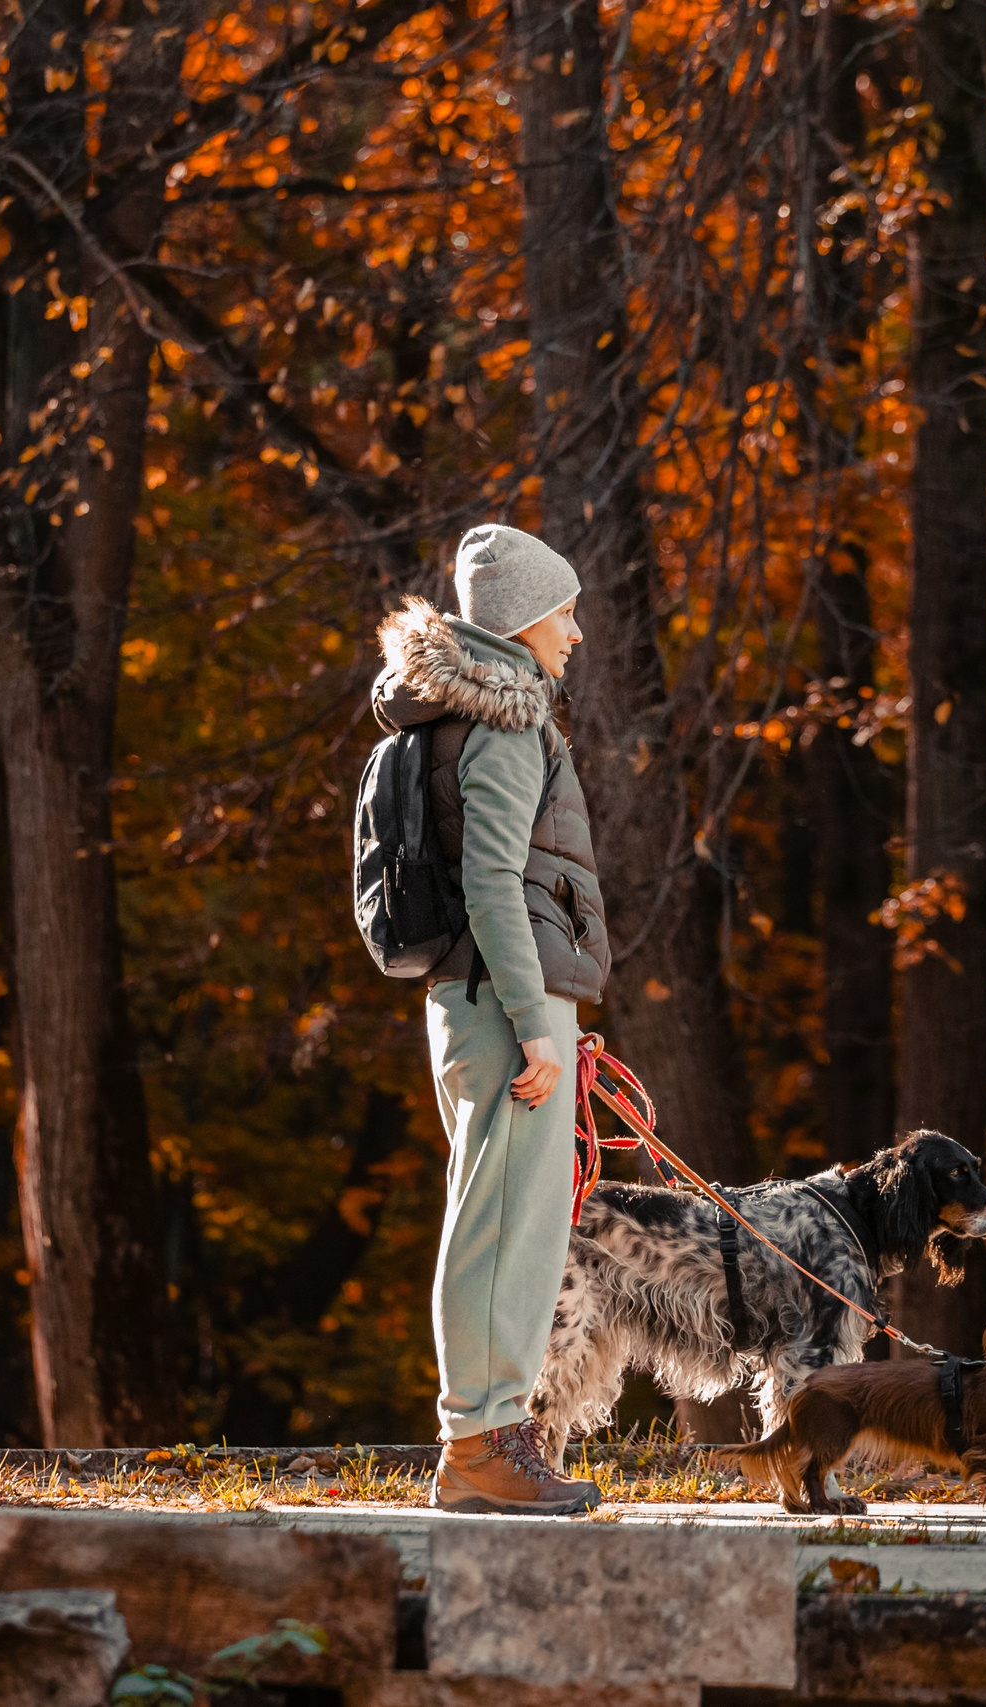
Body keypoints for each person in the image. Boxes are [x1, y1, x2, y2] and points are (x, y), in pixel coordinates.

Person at [369, 523, 611, 1514]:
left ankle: (488, 1438)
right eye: (566, 613)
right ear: (524, 619)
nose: (576, 634)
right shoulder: (507, 724)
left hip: (472, 998)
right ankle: (481, 1444)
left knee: (495, 1222)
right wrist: (537, 1025)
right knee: (505, 1230)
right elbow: (494, 884)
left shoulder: (450, 714)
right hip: (505, 1003)